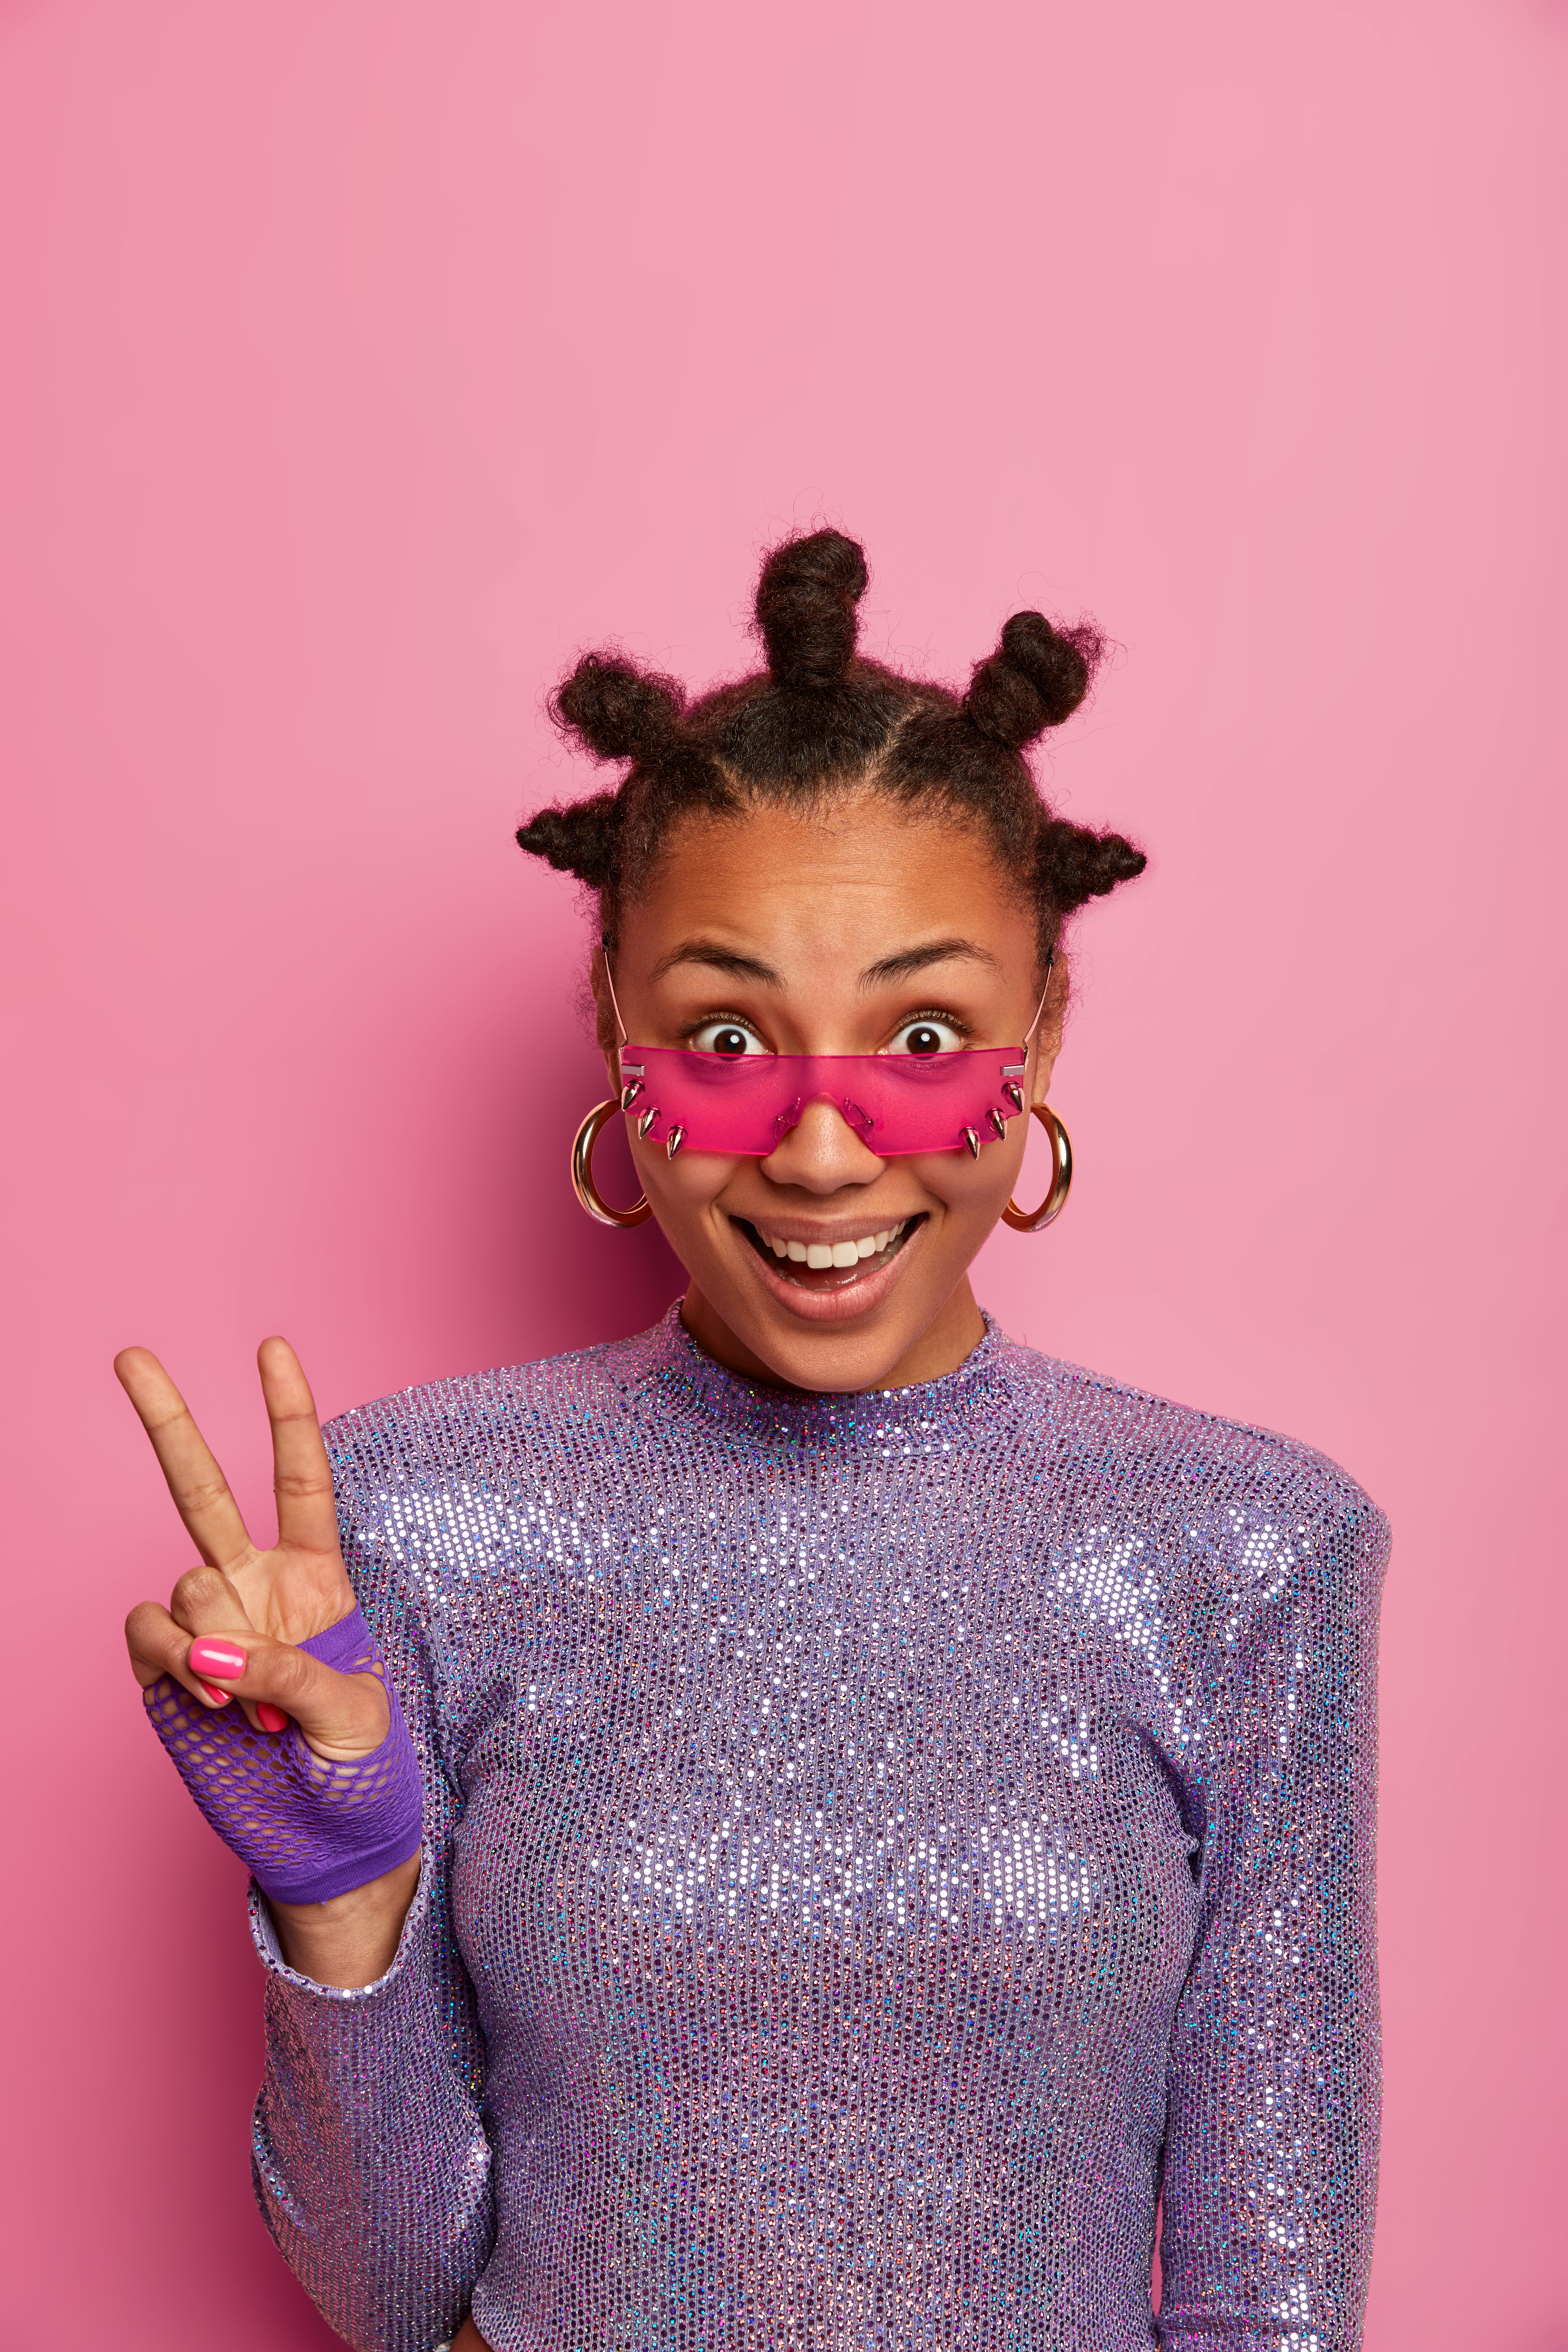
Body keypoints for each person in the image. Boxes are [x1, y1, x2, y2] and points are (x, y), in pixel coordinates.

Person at [119, 530, 1387, 2352]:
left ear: (1036, 1045)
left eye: (923, 1036)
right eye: (726, 1038)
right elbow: (397, 2300)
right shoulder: (417, 1524)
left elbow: (1274, 2299)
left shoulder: (1251, 1549)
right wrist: (341, 1896)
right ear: (615, 1045)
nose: (815, 1149)